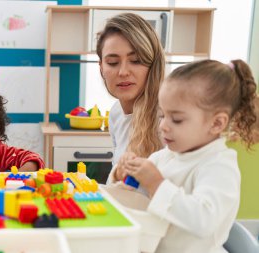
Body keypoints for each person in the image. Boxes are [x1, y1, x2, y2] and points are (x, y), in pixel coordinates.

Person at [109, 59, 257, 253]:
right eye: (162, 116)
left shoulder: (219, 166)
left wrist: (156, 183)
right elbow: (139, 196)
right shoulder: (166, 156)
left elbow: (204, 221)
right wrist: (124, 174)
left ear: (216, 123)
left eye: (176, 119)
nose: (163, 126)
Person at [96, 12, 165, 168]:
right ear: (101, 67)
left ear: (153, 64)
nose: (123, 72)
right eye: (113, 62)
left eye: (136, 61)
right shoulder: (116, 113)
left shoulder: (167, 118)